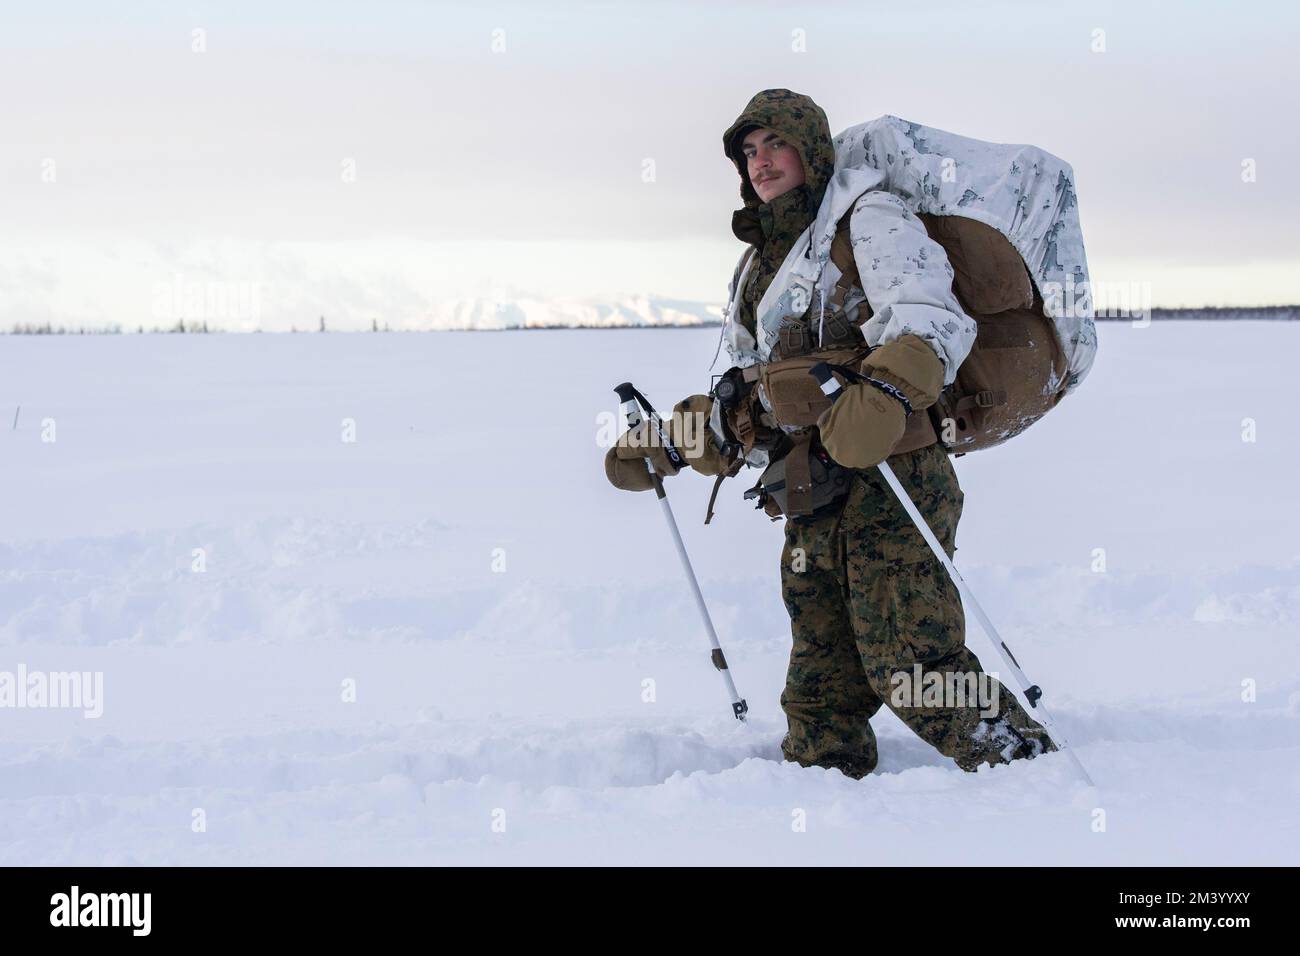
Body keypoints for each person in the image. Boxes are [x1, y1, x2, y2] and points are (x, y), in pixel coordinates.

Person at [605, 89, 1055, 778]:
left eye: (775, 145)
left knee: (912, 661)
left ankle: (1026, 768)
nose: (761, 163)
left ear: (812, 152)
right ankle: (823, 797)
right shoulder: (759, 264)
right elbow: (760, 394)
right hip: (812, 490)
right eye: (749, 152)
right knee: (820, 677)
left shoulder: (867, 218)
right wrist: (669, 442)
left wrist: (884, 393)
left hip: (895, 477)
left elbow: (932, 318)